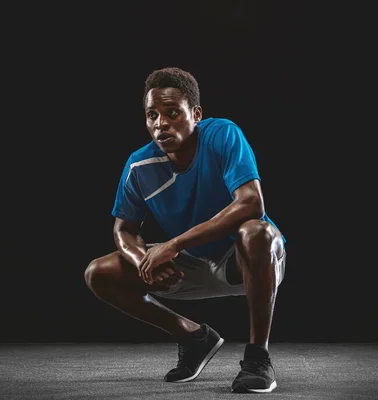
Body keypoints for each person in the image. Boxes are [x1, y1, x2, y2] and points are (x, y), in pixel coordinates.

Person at [84, 66, 286, 394]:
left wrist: (172, 245)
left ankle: (258, 359)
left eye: (172, 112)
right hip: (189, 265)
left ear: (196, 114)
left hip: (247, 262)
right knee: (98, 273)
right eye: (152, 115)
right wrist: (142, 262)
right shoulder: (139, 166)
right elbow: (123, 230)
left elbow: (252, 203)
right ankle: (193, 337)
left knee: (257, 232)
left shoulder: (222, 134)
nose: (160, 123)